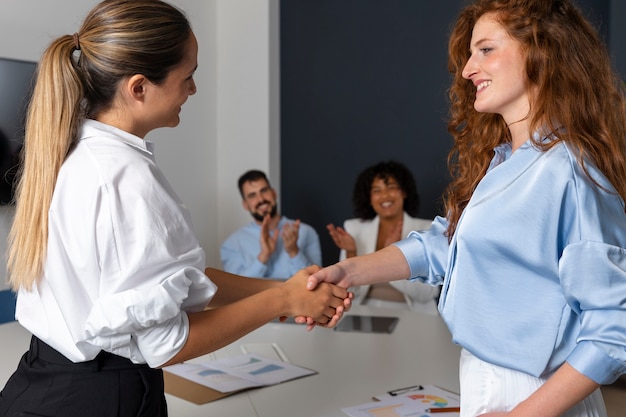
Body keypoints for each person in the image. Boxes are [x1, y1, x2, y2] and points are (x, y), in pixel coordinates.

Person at [0, 1, 348, 416]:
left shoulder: (73, 156)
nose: (193, 90)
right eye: (189, 76)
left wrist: (284, 288)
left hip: (40, 383)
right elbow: (167, 344)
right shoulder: (127, 180)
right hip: (97, 399)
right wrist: (284, 303)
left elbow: (180, 284)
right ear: (140, 87)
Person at [306, 0, 626, 416]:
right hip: (486, 378)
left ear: (541, 50)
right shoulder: (505, 161)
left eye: (486, 50)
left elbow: (614, 329)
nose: (467, 69)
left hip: (539, 393)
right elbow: (447, 246)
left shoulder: (571, 170)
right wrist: (348, 271)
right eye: (470, 54)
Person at [327, 160, 439, 314]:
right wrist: (351, 253)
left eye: (392, 188)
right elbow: (350, 292)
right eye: (376, 190)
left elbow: (428, 293)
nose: (385, 196)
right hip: (364, 311)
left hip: (413, 313)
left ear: (404, 192)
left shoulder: (426, 229)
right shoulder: (354, 229)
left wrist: (393, 253)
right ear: (369, 198)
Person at [220, 169, 322, 279]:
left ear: (274, 193)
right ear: (245, 204)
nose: (261, 199)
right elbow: (235, 289)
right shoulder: (231, 245)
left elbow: (316, 281)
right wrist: (264, 255)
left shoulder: (306, 232)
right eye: (252, 195)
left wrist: (294, 252)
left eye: (264, 190)